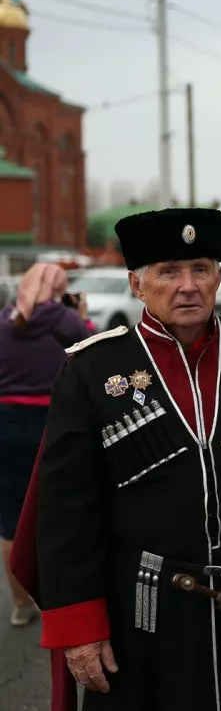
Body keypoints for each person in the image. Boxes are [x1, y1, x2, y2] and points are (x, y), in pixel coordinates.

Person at [14, 208, 221, 711]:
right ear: (137, 286)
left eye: (201, 269)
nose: (188, 286)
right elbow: (66, 513)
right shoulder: (94, 368)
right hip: (145, 616)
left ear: (219, 277)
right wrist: (80, 629)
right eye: (168, 272)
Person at [0, 262, 94, 627]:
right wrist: (82, 315)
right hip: (51, 423)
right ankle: (53, 599)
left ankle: (20, 604)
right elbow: (93, 354)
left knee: (10, 519)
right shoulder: (64, 321)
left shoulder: (4, 322)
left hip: (5, 423)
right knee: (54, 513)